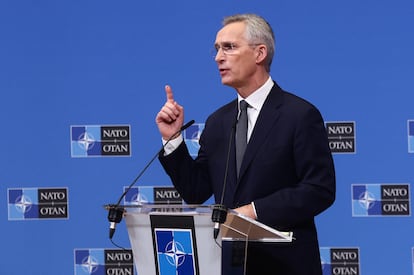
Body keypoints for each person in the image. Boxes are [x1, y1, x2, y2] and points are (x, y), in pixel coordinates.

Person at [155, 13, 335, 275]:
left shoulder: (299, 115)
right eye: (217, 49)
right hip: (229, 265)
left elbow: (319, 189)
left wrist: (255, 210)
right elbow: (195, 190)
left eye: (229, 47)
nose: (218, 57)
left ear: (260, 53)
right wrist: (172, 139)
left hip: (285, 266)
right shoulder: (218, 121)